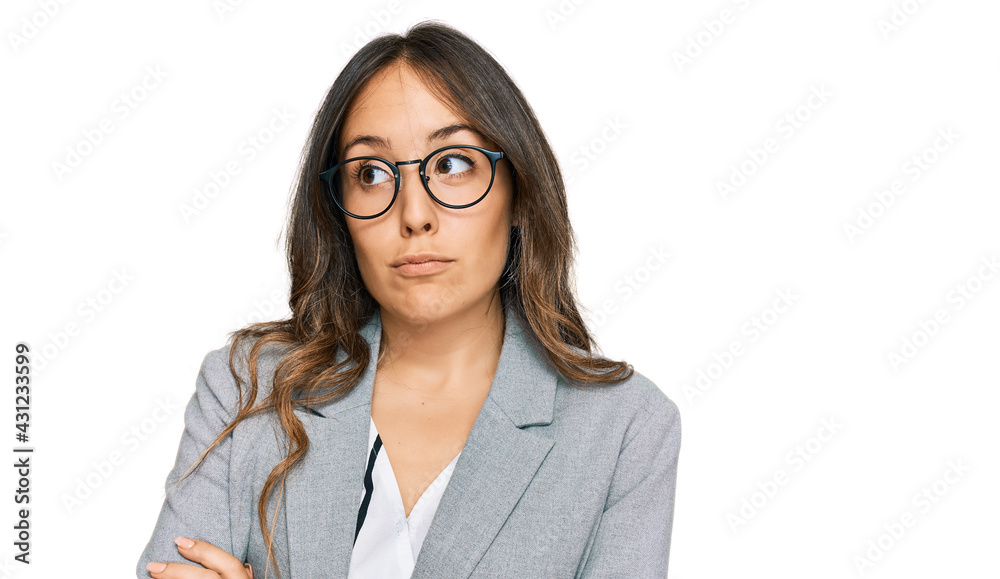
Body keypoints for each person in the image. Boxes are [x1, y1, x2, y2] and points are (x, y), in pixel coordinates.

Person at [136, 19, 681, 579]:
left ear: (517, 189)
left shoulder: (625, 428)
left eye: (451, 165)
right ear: (338, 210)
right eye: (370, 173)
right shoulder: (247, 386)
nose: (414, 215)